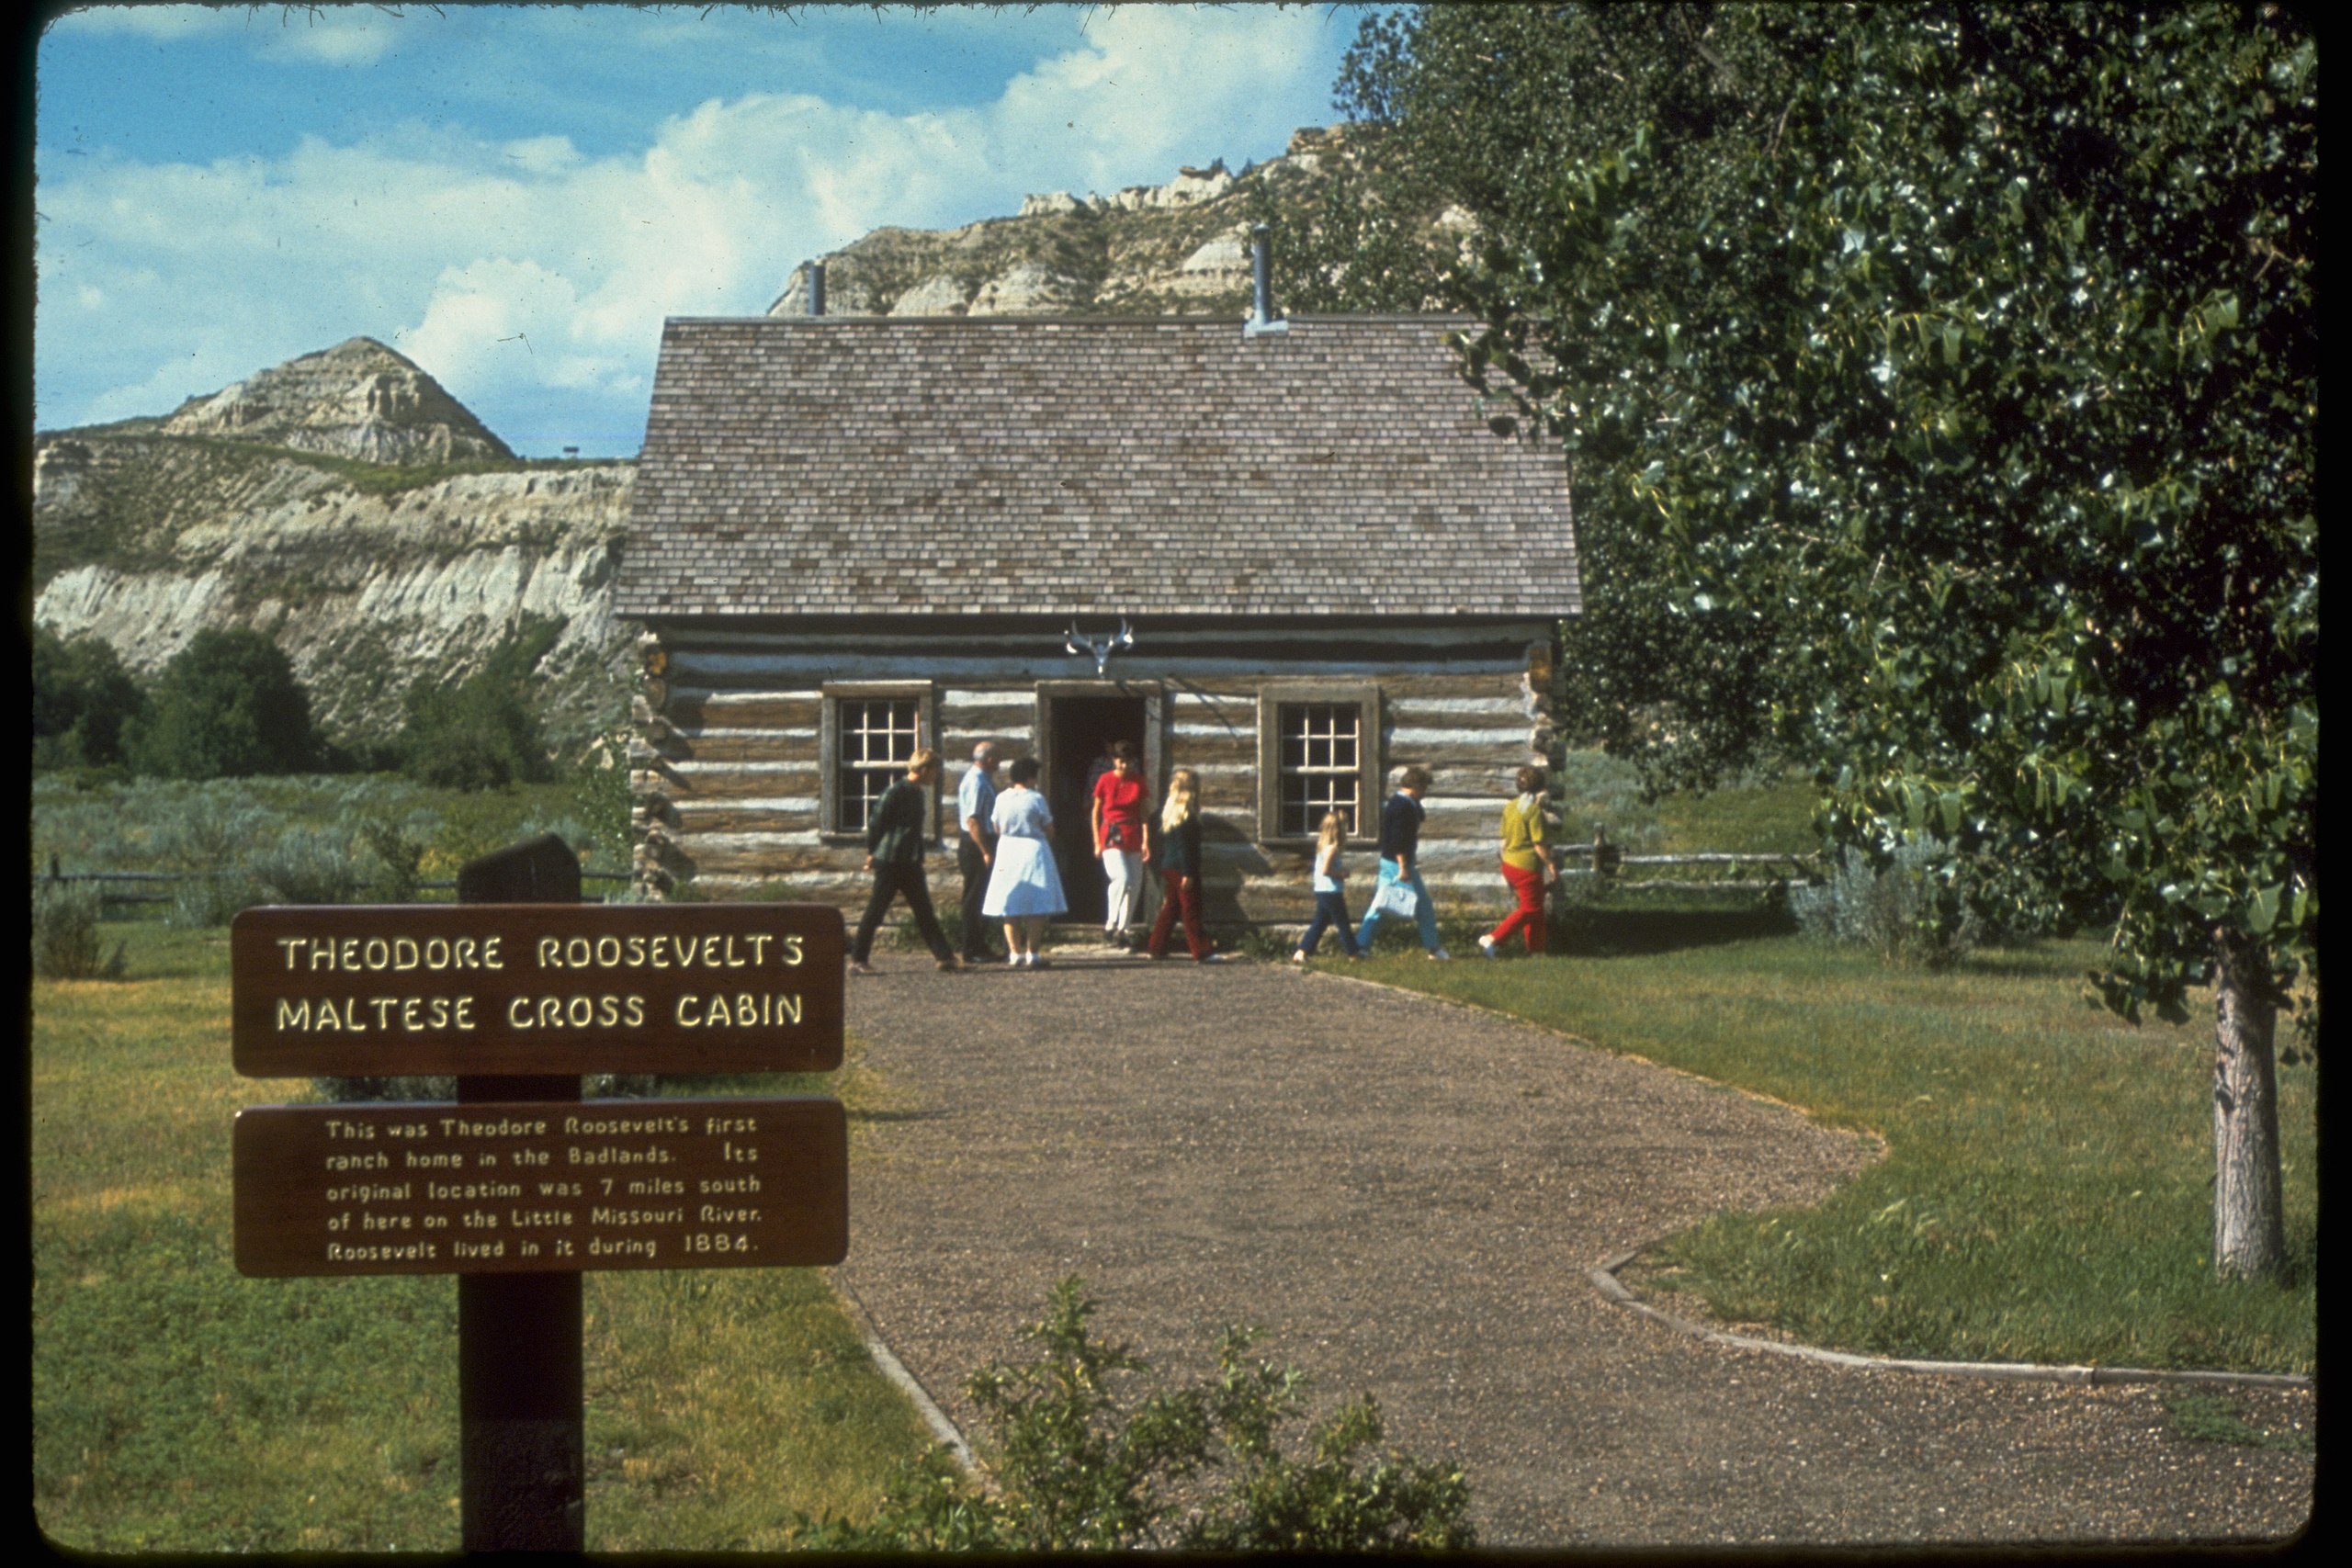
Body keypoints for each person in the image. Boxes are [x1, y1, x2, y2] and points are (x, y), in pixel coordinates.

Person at [849, 748, 962, 975]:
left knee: (923, 910)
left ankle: (944, 956)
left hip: (910, 861)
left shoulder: (918, 793)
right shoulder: (895, 791)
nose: (936, 776)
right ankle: (858, 960)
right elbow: (875, 824)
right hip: (891, 861)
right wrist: (872, 852)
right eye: (934, 772)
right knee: (876, 910)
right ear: (924, 769)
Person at [1354, 764, 1449, 959]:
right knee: (1385, 905)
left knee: (1403, 904)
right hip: (1397, 863)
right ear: (1416, 787)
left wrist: (1416, 803)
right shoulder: (1401, 807)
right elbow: (1398, 839)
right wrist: (1403, 867)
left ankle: (1361, 946)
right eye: (1423, 789)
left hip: (1397, 862)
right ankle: (1360, 946)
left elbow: (1420, 816)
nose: (1424, 793)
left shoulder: (1405, 803)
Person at [983, 756, 1068, 967]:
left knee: (1010, 905)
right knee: (1036, 904)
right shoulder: (1036, 799)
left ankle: (1015, 953)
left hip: (1008, 849)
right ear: (1030, 777)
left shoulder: (1002, 798)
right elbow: (1049, 829)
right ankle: (1033, 953)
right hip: (1033, 849)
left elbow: (996, 827)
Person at [1481, 765, 1557, 958]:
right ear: (1539, 789)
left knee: (1536, 908)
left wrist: (1507, 861)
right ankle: (1492, 938)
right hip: (1527, 866)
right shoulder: (1533, 812)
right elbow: (1539, 845)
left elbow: (1504, 842)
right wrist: (1551, 865)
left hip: (1509, 864)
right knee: (1530, 909)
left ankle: (1536, 950)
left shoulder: (1510, 807)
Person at [1146, 768, 1218, 962]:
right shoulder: (1186, 815)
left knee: (1171, 907)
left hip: (1169, 866)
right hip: (1181, 868)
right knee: (1191, 909)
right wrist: (1188, 873)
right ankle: (1202, 951)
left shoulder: (1170, 811)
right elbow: (1184, 847)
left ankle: (1156, 947)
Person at [1091, 739, 1151, 949]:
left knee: (1135, 884)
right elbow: (1096, 811)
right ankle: (1110, 922)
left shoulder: (1138, 781)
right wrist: (1097, 841)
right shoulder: (1105, 780)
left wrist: (1146, 840)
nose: (1123, 766)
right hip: (1111, 833)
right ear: (1113, 760)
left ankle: (1124, 929)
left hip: (1133, 833)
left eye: (1127, 761)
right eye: (1119, 761)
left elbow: (1143, 813)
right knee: (1122, 878)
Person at [1292, 809, 1363, 961]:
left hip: (1322, 890)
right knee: (1343, 923)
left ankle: (1302, 951)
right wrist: (1342, 873)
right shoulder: (1332, 849)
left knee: (1320, 923)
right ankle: (1353, 953)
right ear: (1337, 830)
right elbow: (1326, 870)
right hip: (1331, 891)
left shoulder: (1323, 847)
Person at [956, 740, 1002, 962]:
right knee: (974, 897)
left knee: (983, 896)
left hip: (982, 841)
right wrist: (985, 850)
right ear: (990, 759)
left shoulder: (984, 780)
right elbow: (973, 820)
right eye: (998, 758)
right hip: (975, 843)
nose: (1000, 763)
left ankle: (980, 946)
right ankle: (970, 949)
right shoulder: (976, 781)